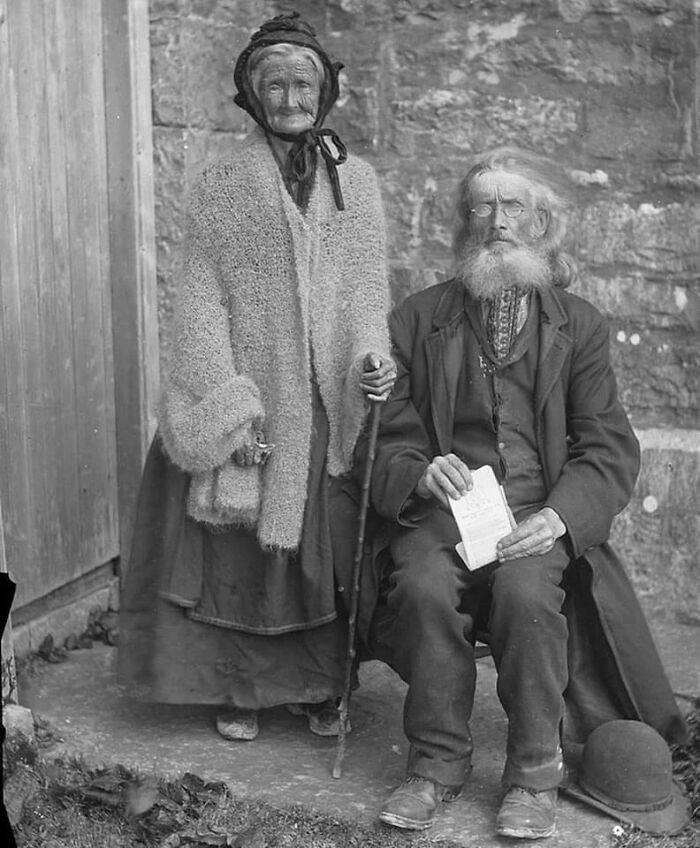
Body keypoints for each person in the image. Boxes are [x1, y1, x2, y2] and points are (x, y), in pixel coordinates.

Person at [366, 147, 687, 839]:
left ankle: (533, 775)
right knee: (420, 583)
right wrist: (420, 468)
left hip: (536, 514)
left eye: (515, 206)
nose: (498, 221)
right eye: (483, 205)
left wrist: (559, 517)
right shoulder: (418, 319)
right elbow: (387, 432)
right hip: (444, 514)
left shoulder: (580, 325)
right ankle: (435, 765)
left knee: (525, 593)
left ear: (543, 222)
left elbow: (606, 447)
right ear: (464, 221)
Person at [117, 12, 394, 743]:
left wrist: (371, 357)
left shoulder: (355, 185)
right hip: (253, 394)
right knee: (239, 552)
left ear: (325, 91)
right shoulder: (221, 187)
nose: (289, 96)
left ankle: (324, 686)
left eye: (303, 81)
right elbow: (199, 300)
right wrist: (230, 410)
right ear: (251, 94)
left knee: (319, 551)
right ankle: (240, 688)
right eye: (274, 83)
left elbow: (366, 291)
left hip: (324, 402)